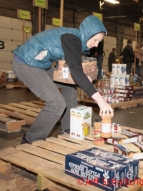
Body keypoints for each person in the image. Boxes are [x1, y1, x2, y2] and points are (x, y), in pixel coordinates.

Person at [12, 15, 113, 144]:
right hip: (25, 64)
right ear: (87, 34)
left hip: (40, 64)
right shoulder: (72, 39)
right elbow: (76, 71)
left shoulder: (76, 39)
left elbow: (71, 64)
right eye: (95, 40)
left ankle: (68, 129)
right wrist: (101, 101)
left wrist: (80, 77)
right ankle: (31, 140)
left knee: (70, 88)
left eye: (99, 41)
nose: (96, 44)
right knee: (57, 104)